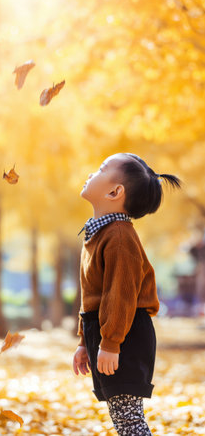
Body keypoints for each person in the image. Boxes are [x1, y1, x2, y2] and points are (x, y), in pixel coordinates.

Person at [73, 153, 181, 435]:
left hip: (126, 334)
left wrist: (110, 343)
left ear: (114, 191)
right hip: (110, 332)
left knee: (128, 419)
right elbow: (92, 297)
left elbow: (120, 294)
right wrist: (85, 342)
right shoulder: (100, 233)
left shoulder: (119, 236)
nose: (92, 172)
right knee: (121, 415)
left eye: (101, 169)